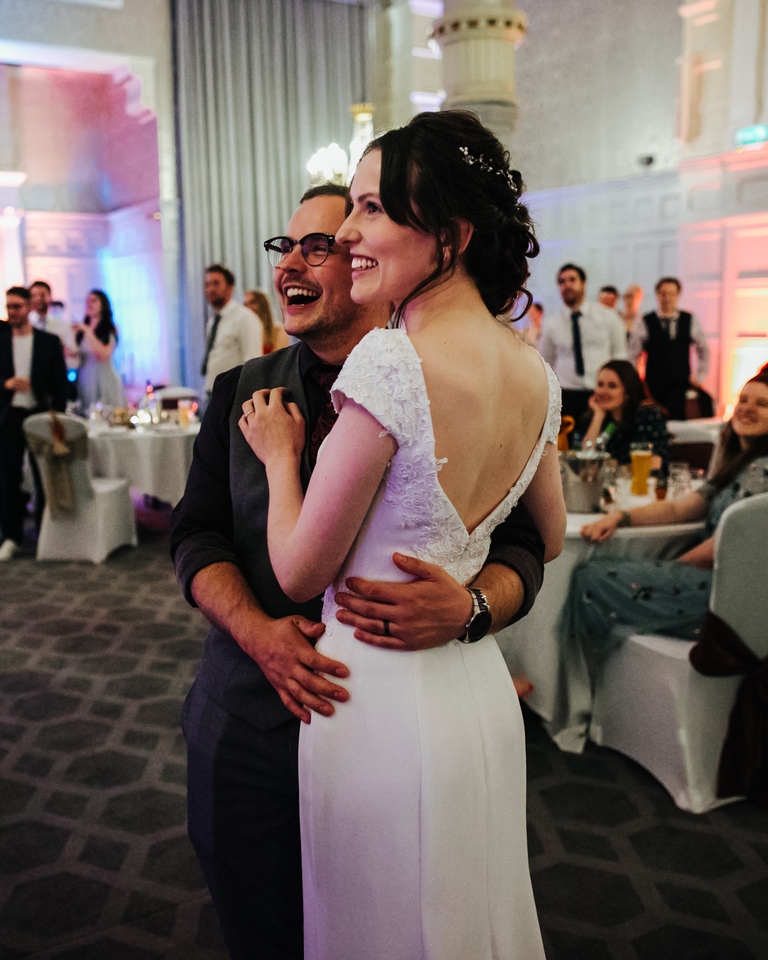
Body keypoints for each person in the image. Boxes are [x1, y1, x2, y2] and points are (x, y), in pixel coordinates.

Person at [171, 180, 549, 960]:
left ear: (368, 260)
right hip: (248, 715)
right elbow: (194, 536)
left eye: (318, 247)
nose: (289, 266)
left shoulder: (445, 382)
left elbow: (523, 541)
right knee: (258, 926)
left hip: (384, 726)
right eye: (284, 247)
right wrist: (258, 635)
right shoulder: (240, 390)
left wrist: (474, 609)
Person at [568, 370, 768, 667]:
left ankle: (582, 681)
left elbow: (722, 546)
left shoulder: (761, 470)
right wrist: (621, 517)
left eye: (762, 404)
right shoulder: (739, 465)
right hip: (720, 585)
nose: (747, 408)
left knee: (591, 578)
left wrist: (668, 569)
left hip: (722, 593)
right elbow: (680, 509)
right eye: (743, 400)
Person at [1, 286, 68, 560]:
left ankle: (45, 535)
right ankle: (11, 537)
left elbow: (61, 384)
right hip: (9, 417)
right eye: (8, 306)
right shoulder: (1, 340)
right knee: (8, 479)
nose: (12, 312)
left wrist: (57, 417)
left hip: (40, 415)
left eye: (17, 306)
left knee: (44, 478)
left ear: (29, 307)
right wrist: (5, 384)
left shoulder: (48, 341)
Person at [539, 262, 627, 429]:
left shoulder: (608, 317)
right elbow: (546, 362)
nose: (567, 285)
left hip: (600, 392)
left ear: (583, 283)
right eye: (562, 281)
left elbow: (620, 358)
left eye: (572, 280)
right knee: (567, 441)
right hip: (566, 394)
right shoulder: (552, 323)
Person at [628, 276, 710, 421]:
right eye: (663, 294)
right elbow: (633, 354)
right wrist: (637, 381)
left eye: (671, 294)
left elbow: (703, 349)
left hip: (681, 384)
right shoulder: (645, 321)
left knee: (679, 422)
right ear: (657, 295)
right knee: (654, 420)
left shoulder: (689, 319)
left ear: (678, 295)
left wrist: (700, 376)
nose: (667, 298)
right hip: (654, 386)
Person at [579, 360, 670, 473]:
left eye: (612, 386)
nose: (603, 391)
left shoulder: (647, 414)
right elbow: (586, 458)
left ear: (627, 392)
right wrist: (598, 415)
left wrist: (613, 470)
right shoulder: (599, 418)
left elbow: (655, 463)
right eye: (600, 385)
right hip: (610, 483)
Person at [201, 265, 263, 399]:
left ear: (230, 287)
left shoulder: (245, 318)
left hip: (233, 395)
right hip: (212, 391)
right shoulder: (213, 320)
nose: (210, 289)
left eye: (216, 283)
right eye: (207, 284)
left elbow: (253, 362)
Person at [73, 290, 126, 410]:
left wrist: (88, 332)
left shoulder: (109, 329)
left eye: (94, 300)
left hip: (105, 379)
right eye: (88, 301)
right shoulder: (81, 330)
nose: (89, 304)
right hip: (86, 379)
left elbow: (104, 354)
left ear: (103, 304)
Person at [243, 288, 290, 353]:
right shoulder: (242, 332)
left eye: (252, 302)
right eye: (245, 304)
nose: (248, 307)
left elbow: (281, 357)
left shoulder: (278, 332)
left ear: (262, 306)